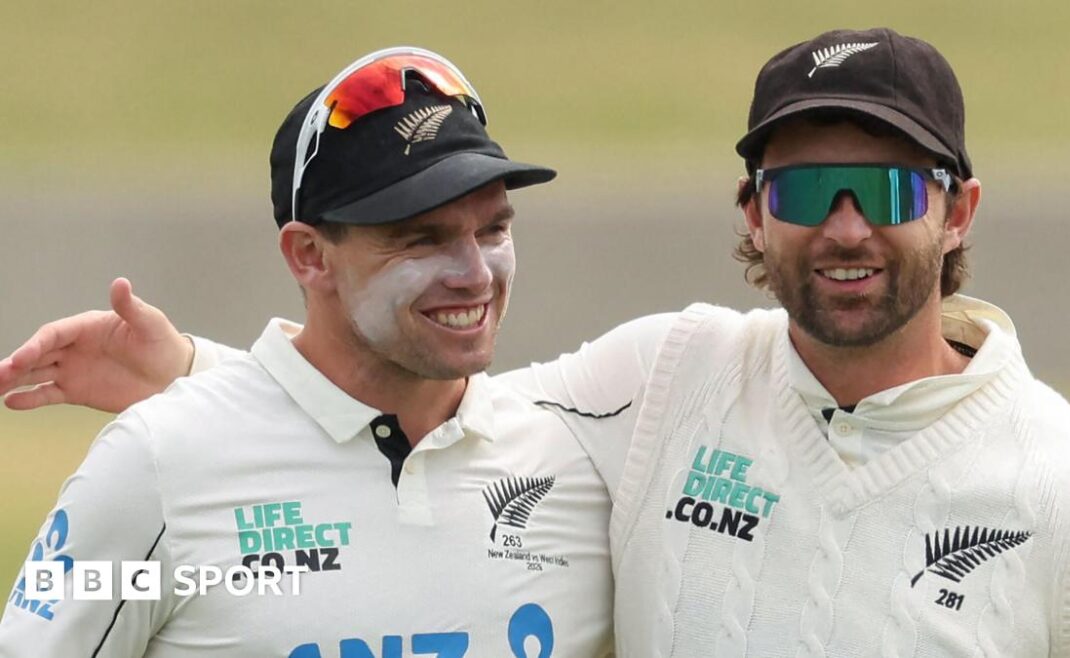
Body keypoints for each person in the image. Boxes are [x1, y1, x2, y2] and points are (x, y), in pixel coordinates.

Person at [4, 28, 1070, 657]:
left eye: (882, 184)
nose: (846, 226)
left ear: (957, 209)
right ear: (754, 213)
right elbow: (399, 411)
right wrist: (211, 390)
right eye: (806, 190)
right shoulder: (661, 384)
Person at [0, 47, 615, 656]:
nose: (475, 273)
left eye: (493, 230)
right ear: (310, 255)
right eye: (421, 240)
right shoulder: (156, 465)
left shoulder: (578, 468)